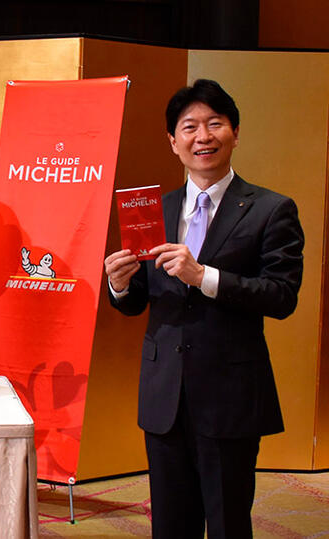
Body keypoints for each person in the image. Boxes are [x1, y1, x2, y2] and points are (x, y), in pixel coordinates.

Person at [104, 79, 304, 538]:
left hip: (230, 394)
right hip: (164, 395)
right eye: (189, 127)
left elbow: (281, 296)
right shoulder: (154, 209)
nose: (203, 136)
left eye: (215, 124)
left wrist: (203, 276)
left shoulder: (271, 209)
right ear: (173, 142)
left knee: (229, 522)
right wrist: (119, 286)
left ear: (235, 132)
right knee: (170, 525)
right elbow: (140, 301)